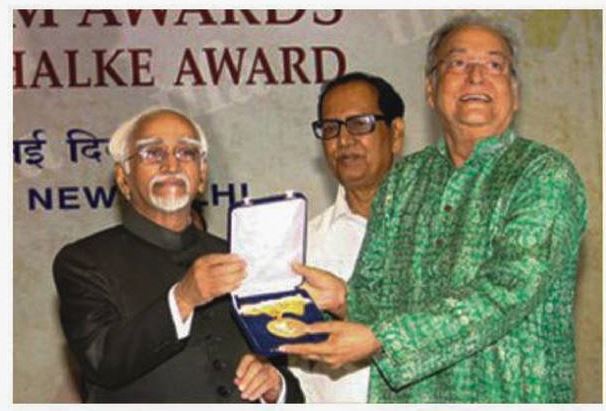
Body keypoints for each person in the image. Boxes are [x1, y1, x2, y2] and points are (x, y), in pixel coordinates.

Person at [281, 14, 588, 403]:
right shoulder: (403, 181)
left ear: (515, 94)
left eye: (494, 65)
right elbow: (377, 298)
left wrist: (381, 339)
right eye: (458, 63)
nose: (476, 77)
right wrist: (345, 299)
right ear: (431, 90)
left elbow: (507, 290)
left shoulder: (544, 175)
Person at [53, 107, 304, 403]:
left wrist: (275, 386)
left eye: (186, 153)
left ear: (202, 175)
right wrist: (183, 299)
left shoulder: (240, 258)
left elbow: (284, 371)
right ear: (123, 178)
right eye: (153, 153)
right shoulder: (84, 261)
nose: (171, 164)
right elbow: (100, 360)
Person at [289, 72, 404, 402]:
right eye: (331, 128)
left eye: (360, 124)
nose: (343, 139)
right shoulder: (302, 249)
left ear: (396, 134)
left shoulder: (439, 232)